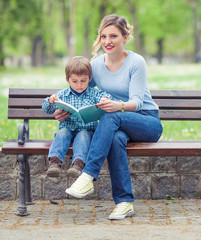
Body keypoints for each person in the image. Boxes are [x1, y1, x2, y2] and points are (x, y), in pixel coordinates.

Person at [62, 14, 163, 220]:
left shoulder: (136, 62)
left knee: (110, 117)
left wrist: (118, 106)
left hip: (146, 121)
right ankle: (124, 203)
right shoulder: (96, 66)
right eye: (104, 36)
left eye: (114, 36)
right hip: (117, 124)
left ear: (125, 37)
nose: (108, 41)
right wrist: (63, 108)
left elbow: (138, 102)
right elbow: (80, 93)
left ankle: (88, 175)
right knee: (116, 138)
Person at [42, 56, 115, 178]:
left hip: (86, 130)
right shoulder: (62, 94)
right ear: (68, 79)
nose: (79, 85)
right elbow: (46, 108)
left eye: (83, 81)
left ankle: (78, 164)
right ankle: (54, 162)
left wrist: (105, 100)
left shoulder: (94, 93)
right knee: (62, 133)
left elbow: (108, 99)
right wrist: (50, 101)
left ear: (89, 79)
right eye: (75, 81)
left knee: (83, 136)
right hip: (68, 128)